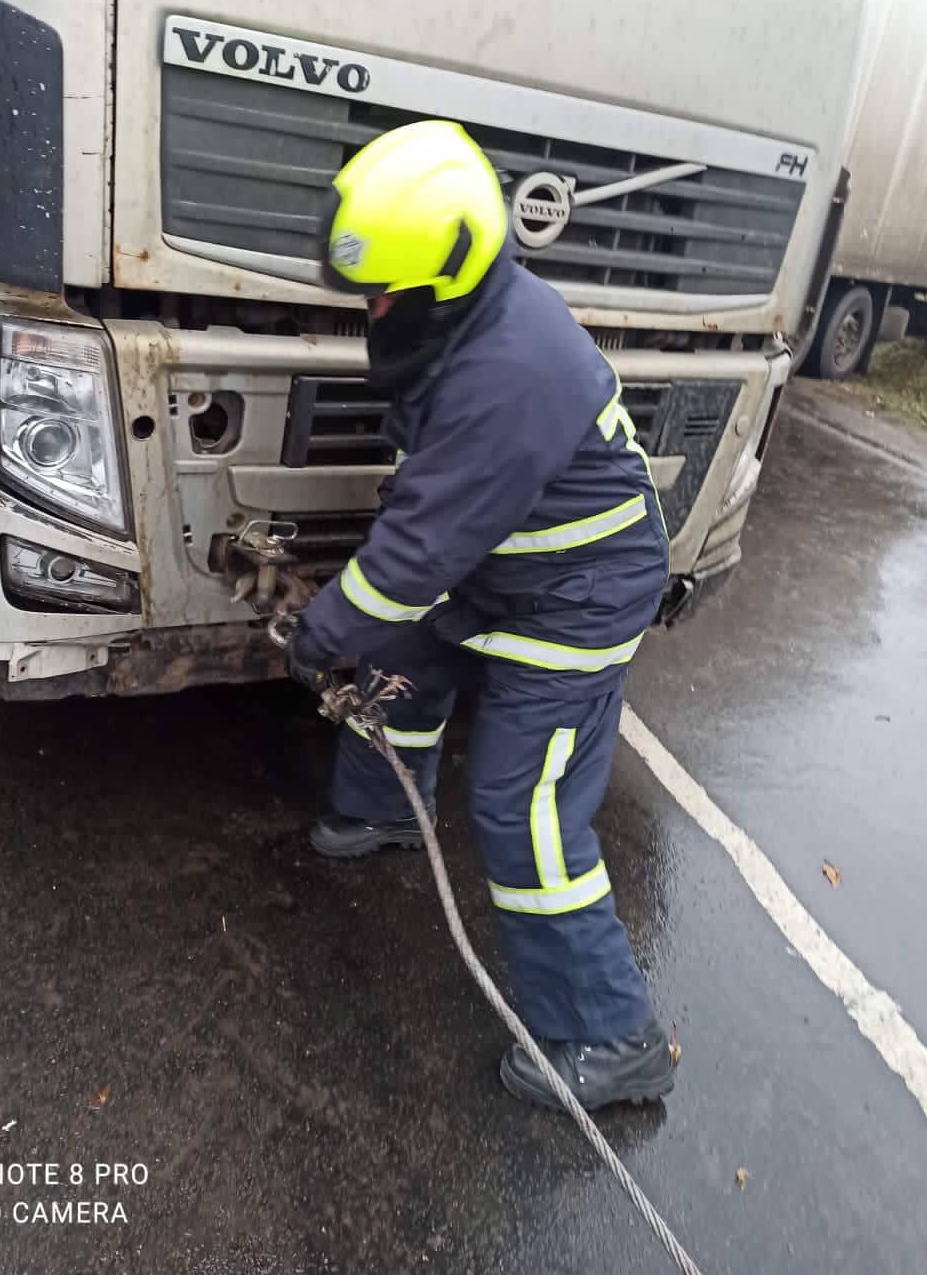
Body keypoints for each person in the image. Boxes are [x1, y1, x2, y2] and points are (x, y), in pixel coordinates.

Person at [282, 120, 675, 1111]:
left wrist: (318, 632)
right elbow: (431, 526)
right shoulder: (471, 314)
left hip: (578, 596)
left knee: (520, 805)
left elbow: (415, 555)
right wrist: (357, 626)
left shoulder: (511, 372)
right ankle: (385, 808)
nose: (371, 309)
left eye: (383, 293)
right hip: (503, 567)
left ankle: (611, 1033)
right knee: (401, 656)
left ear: (442, 276)